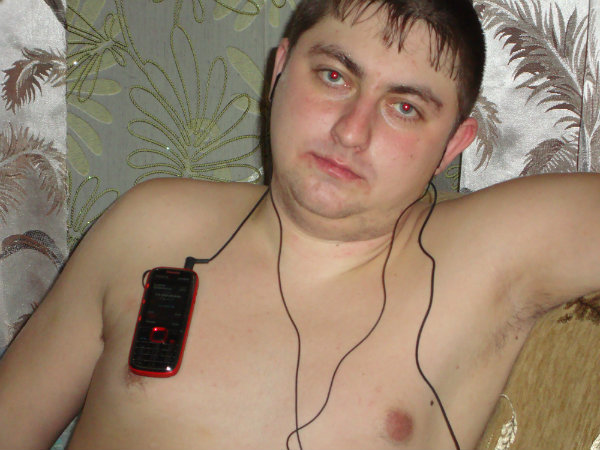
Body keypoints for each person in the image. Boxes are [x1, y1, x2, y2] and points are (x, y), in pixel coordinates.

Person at [1, 0, 599, 449]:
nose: (351, 131)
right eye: (335, 76)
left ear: (451, 147)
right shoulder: (151, 224)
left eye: (405, 107)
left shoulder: (489, 254)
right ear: (280, 70)